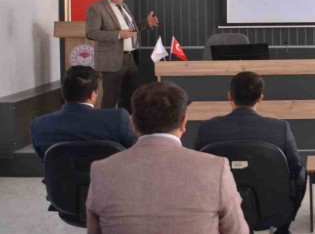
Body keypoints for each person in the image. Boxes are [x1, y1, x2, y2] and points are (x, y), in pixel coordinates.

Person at [86, 82, 248, 234]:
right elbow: (238, 231)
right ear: (184, 122)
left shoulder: (101, 170)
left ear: (132, 123)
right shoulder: (216, 168)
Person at [194, 71, 304, 234]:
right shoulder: (280, 128)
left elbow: (196, 171)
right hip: (271, 211)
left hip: (220, 210)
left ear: (229, 96)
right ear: (260, 97)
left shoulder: (207, 129)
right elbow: (296, 169)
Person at [30, 66, 137, 161]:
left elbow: (45, 161)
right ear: (93, 95)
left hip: (61, 178)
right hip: (108, 177)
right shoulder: (118, 119)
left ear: (62, 93)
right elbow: (136, 150)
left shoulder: (40, 126)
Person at [85, 0, 158, 113]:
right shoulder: (96, 8)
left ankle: (127, 124)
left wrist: (146, 23)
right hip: (112, 60)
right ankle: (107, 125)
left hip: (131, 58)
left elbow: (130, 30)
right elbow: (91, 33)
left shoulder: (124, 6)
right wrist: (118, 34)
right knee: (110, 99)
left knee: (130, 98)